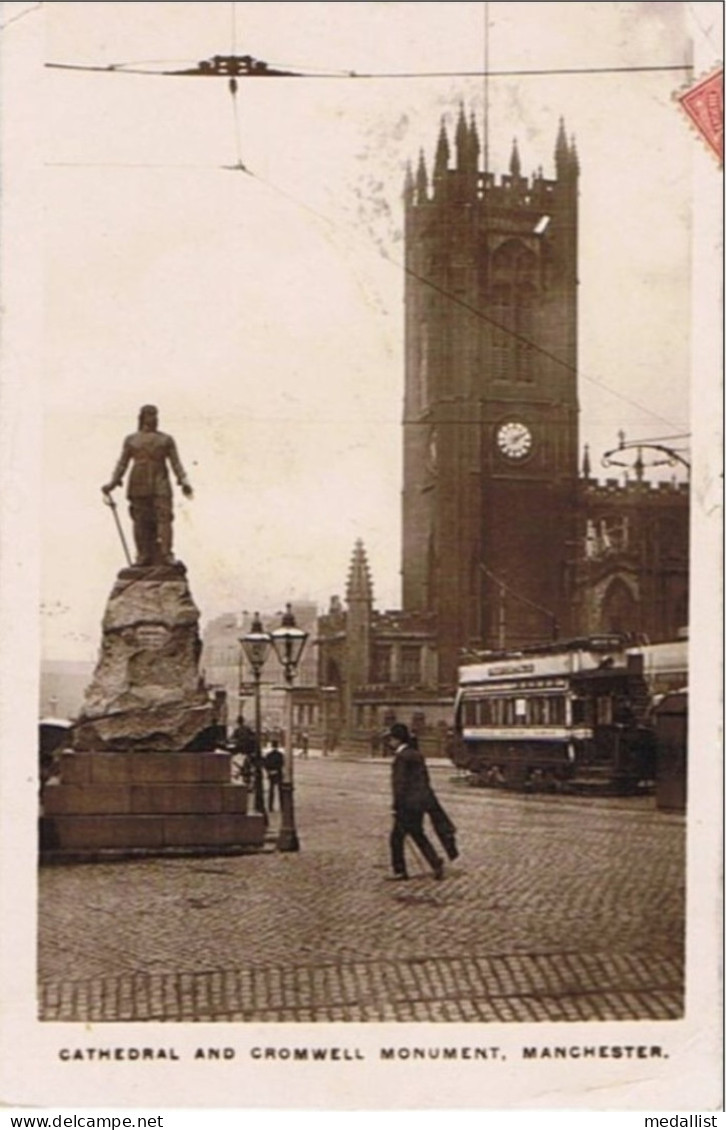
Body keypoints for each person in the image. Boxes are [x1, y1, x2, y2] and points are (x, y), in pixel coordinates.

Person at [102, 404, 193, 566]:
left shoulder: (166, 440)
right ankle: (142, 555)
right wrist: (113, 483)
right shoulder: (131, 440)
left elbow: (176, 463)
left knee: (164, 518)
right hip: (138, 484)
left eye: (156, 415)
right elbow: (122, 464)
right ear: (142, 417)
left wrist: (183, 480)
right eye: (151, 415)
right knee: (140, 521)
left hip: (161, 483)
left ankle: (166, 554)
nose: (154, 419)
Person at [385, 722, 444, 881]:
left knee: (396, 839)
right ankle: (436, 863)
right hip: (419, 804)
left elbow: (400, 784)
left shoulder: (401, 757)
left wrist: (397, 806)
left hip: (406, 806)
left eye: (391, 739)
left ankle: (400, 871)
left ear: (397, 740)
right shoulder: (416, 754)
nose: (389, 742)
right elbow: (424, 780)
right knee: (418, 834)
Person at [263, 741, 284, 813]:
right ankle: (282, 806)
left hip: (271, 773)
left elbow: (265, 764)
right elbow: (281, 764)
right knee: (280, 790)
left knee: (271, 791)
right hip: (278, 773)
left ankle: (270, 806)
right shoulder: (280, 755)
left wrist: (269, 771)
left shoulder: (268, 755)